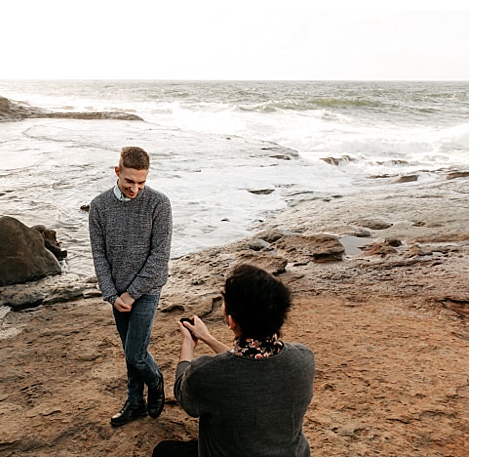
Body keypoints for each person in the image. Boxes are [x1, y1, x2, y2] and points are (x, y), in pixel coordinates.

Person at [153, 262, 315, 456]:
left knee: (163, 451)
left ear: (231, 321)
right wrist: (208, 338)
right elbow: (248, 359)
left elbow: (183, 390)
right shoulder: (304, 358)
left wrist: (188, 345)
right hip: (291, 454)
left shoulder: (206, 374)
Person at [88, 146, 173, 427]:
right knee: (130, 351)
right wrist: (112, 295)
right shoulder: (99, 207)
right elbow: (99, 255)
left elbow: (160, 255)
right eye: (129, 182)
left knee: (136, 353)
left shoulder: (159, 204)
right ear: (117, 172)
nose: (135, 188)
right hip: (117, 295)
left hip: (147, 290)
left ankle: (156, 382)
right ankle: (135, 402)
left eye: (142, 182)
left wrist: (132, 293)